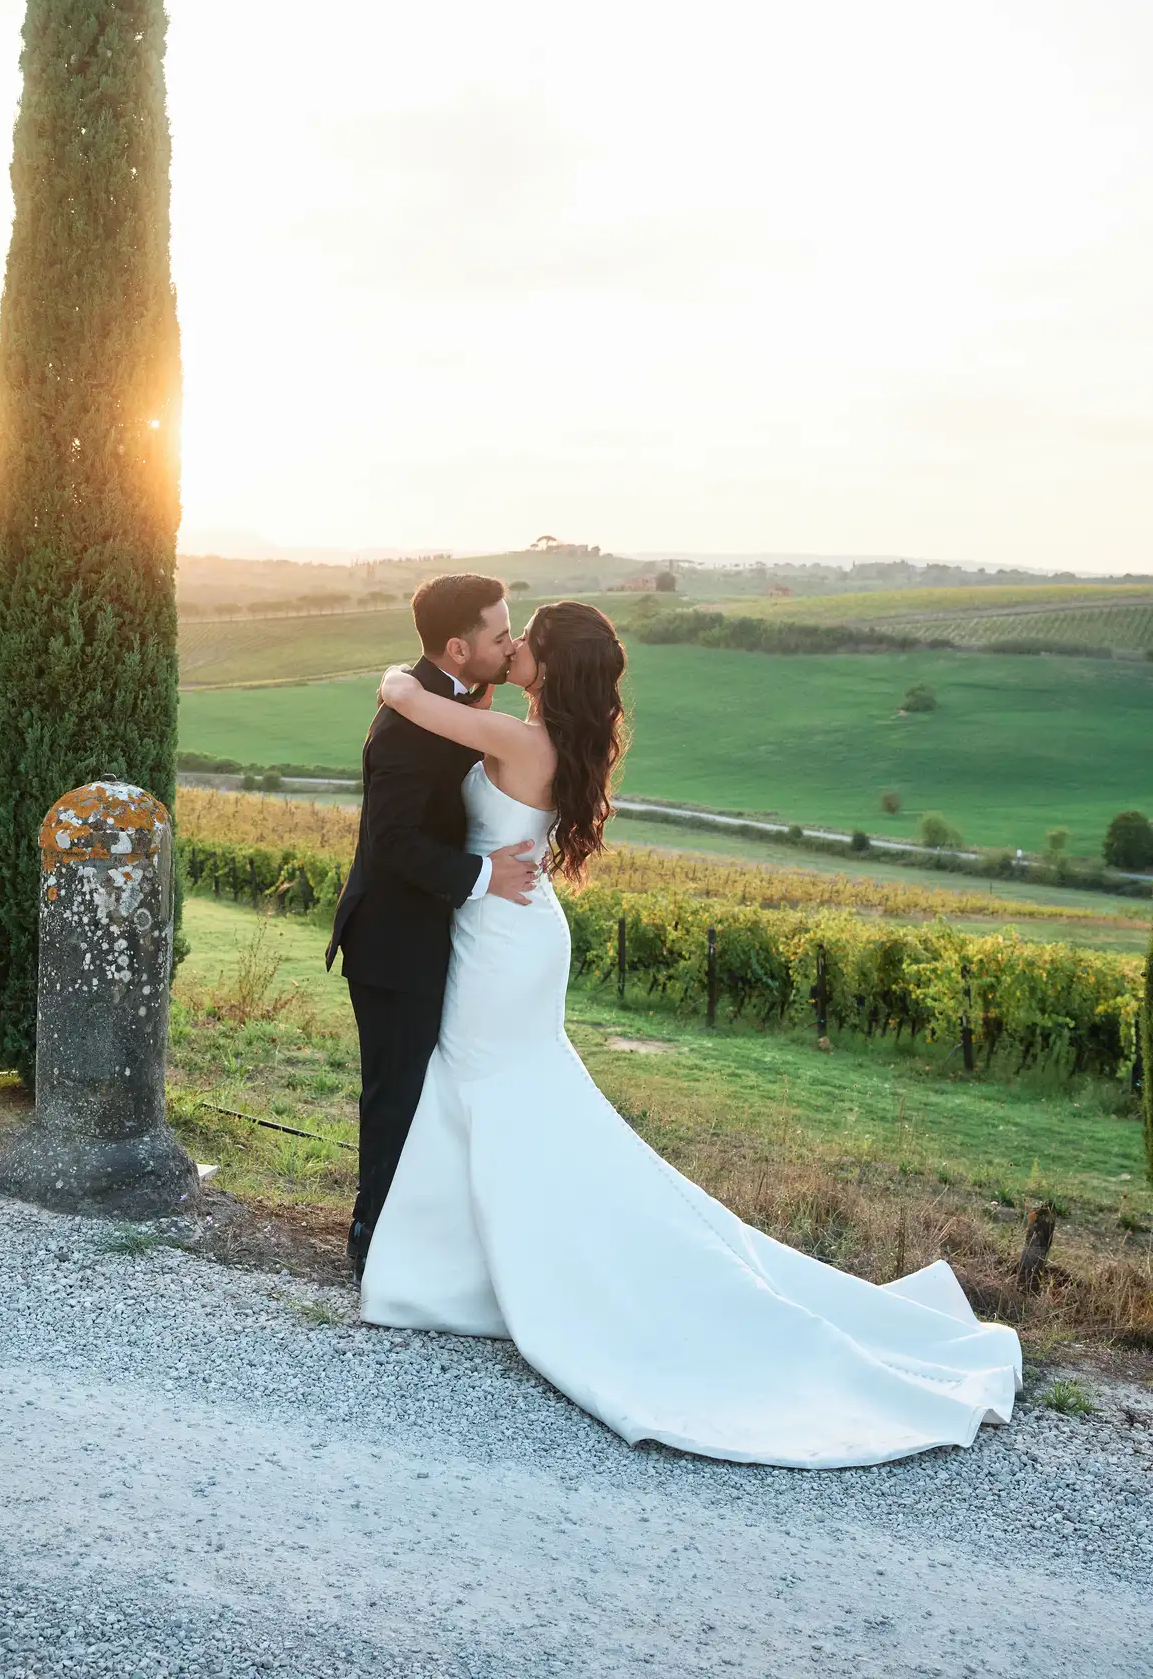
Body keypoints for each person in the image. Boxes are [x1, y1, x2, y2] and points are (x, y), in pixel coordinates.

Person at [359, 599, 1023, 1469]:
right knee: (506, 1095)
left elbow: (408, 701)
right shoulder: (529, 732)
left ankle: (468, 1268)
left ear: (551, 668)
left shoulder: (523, 744)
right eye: (509, 635)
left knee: (496, 1089)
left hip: (504, 945)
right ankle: (461, 1263)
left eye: (528, 642)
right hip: (509, 932)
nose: (512, 646)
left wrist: (390, 677)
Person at [326, 575, 537, 1280]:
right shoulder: (404, 725)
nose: (510, 647)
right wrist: (485, 876)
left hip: (443, 936)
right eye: (500, 635)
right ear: (457, 646)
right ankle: (372, 1238)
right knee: (397, 1090)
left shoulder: (442, 697)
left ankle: (419, 1227)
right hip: (393, 940)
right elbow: (390, 844)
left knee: (431, 1088)